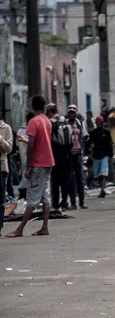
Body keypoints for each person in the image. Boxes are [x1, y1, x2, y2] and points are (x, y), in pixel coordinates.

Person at [7, 96, 54, 237]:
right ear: (44, 106)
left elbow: (32, 145)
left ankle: (20, 229)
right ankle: (44, 227)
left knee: (32, 197)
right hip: (48, 161)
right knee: (45, 196)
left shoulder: (33, 122)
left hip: (38, 163)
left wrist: (28, 166)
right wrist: (25, 140)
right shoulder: (47, 121)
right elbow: (40, 141)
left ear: (32, 106)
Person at [47, 105, 72, 213]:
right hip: (66, 155)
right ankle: (65, 202)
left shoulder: (50, 123)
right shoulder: (65, 122)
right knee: (65, 181)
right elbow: (70, 142)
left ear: (49, 112)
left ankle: (56, 204)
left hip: (55, 155)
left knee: (55, 182)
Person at [66, 105, 87, 210]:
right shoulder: (65, 125)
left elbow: (84, 136)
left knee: (80, 179)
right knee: (70, 179)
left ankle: (81, 202)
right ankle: (73, 202)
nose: (71, 115)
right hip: (69, 155)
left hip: (78, 153)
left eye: (73, 112)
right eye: (70, 112)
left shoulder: (80, 123)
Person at [86, 115, 113, 198]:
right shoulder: (93, 133)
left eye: (100, 123)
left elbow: (110, 144)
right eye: (97, 123)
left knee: (103, 173)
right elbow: (89, 144)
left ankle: (102, 189)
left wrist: (110, 155)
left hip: (104, 154)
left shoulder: (106, 132)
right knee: (98, 174)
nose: (99, 124)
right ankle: (102, 188)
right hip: (97, 155)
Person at [0, 113, 14, 235]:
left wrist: (0, 139)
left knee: (0, 198)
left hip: (1, 166)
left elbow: (9, 148)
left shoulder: (6, 128)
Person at [16, 112, 34, 201]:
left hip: (24, 159)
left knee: (25, 179)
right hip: (31, 160)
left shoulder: (20, 131)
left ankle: (23, 199)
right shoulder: (30, 131)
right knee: (28, 181)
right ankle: (24, 198)